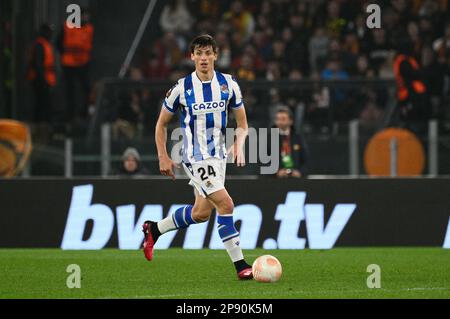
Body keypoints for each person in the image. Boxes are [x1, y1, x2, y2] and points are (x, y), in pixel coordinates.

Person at [143, 34, 253, 280]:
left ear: (216, 55)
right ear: (191, 56)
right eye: (199, 53)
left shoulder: (229, 84)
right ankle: (241, 266)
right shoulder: (181, 88)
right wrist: (162, 156)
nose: (204, 58)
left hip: (218, 158)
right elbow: (161, 124)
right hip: (194, 157)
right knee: (226, 204)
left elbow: (243, 122)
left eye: (208, 53)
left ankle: (154, 229)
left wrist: (239, 143)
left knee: (201, 213)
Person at [57, 8, 94, 133]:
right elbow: (59, 43)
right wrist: (66, 54)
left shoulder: (89, 28)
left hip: (83, 63)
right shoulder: (67, 27)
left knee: (87, 89)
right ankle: (70, 116)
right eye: (84, 16)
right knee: (70, 91)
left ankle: (85, 113)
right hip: (69, 63)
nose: (86, 18)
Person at [26, 24, 56, 140]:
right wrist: (43, 81)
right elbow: (38, 65)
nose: (51, 35)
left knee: (42, 104)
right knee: (43, 104)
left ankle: (40, 128)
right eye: (49, 32)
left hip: (44, 79)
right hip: (41, 80)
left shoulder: (44, 44)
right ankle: (40, 129)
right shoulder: (40, 45)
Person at [273, 107, 308, 178]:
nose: (279, 122)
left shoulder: (298, 137)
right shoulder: (269, 138)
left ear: (290, 121)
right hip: (275, 180)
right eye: (277, 119)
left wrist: (300, 172)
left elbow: (306, 160)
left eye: (283, 119)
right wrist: (276, 172)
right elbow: (262, 162)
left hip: (296, 179)